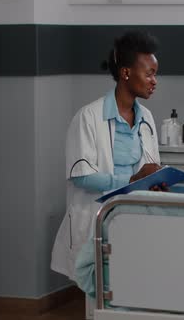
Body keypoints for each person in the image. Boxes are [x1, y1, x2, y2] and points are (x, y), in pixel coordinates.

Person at [51, 31, 166, 280]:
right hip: (97, 217)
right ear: (126, 73)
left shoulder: (146, 117)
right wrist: (132, 180)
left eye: (155, 74)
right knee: (99, 295)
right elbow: (82, 176)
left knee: (131, 287)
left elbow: (149, 165)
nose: (154, 80)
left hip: (132, 216)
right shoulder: (88, 117)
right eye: (149, 73)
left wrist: (155, 179)